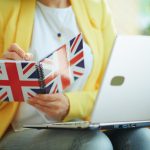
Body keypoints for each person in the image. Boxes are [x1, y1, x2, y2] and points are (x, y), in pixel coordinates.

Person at [0, 0, 150, 150]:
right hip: (20, 130)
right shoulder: (5, 8)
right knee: (95, 144)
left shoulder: (96, 7)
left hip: (82, 124)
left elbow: (114, 92)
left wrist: (71, 104)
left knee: (142, 138)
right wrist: (3, 74)